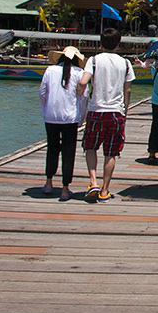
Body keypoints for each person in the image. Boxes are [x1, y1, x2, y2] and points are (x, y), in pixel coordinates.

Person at [77, 28, 135, 202]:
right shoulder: (125, 63)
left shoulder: (94, 61)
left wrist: (80, 92)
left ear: (101, 43)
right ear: (118, 44)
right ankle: (105, 190)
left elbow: (83, 81)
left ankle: (93, 181)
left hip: (97, 111)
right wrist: (125, 109)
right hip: (116, 112)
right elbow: (128, 89)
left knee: (90, 147)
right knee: (111, 152)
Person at [39, 46, 88, 202]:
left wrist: (45, 111)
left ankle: (48, 182)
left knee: (52, 149)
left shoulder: (50, 71)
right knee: (69, 152)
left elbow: (42, 93)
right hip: (70, 118)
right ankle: (65, 189)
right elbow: (83, 98)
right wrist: (81, 118)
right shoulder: (80, 73)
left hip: (51, 116)